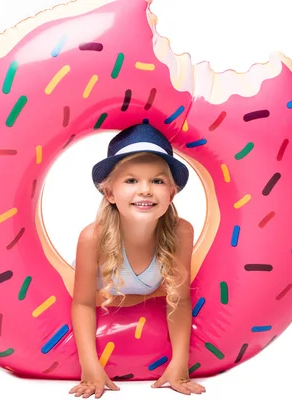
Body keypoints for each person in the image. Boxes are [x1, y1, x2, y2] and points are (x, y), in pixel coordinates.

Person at [69, 123, 206, 398]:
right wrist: (90, 366)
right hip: (101, 302)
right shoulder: (92, 239)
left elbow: (178, 300)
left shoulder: (181, 232)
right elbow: (83, 302)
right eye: (131, 180)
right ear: (110, 193)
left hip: (144, 302)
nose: (145, 190)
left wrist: (180, 363)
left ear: (171, 193)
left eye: (157, 181)